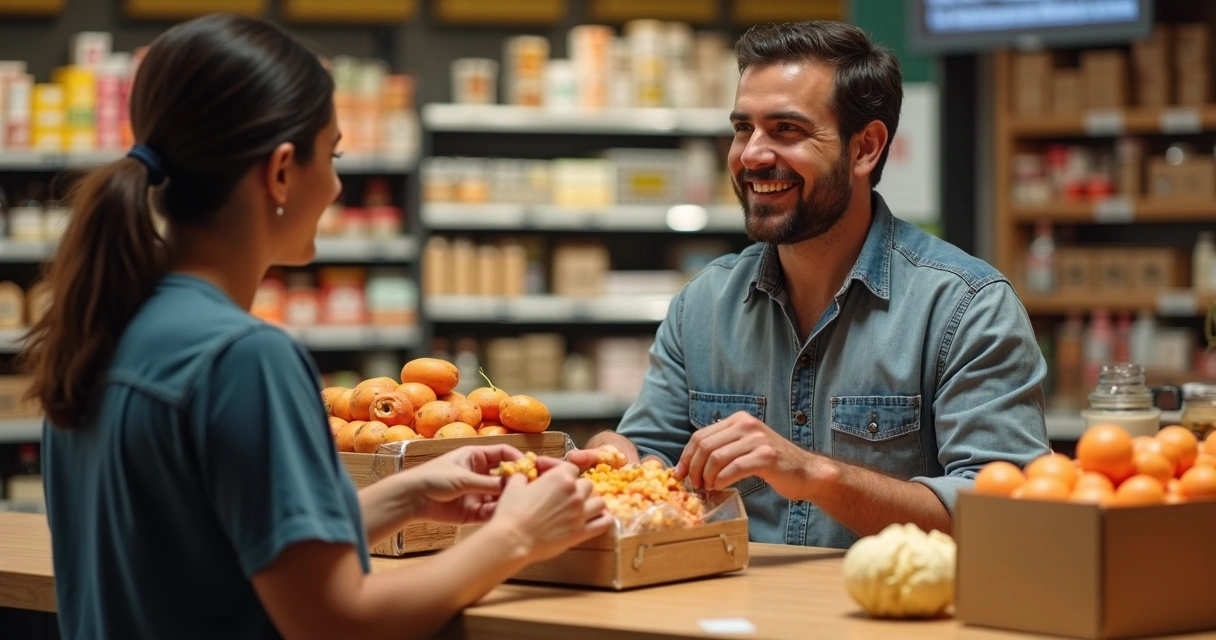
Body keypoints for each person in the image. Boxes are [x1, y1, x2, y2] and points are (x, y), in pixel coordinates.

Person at [21, 14, 612, 640]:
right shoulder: (243, 358)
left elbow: (199, 553)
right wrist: (517, 537)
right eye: (330, 156)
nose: (334, 184)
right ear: (280, 172)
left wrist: (406, 497)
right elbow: (335, 619)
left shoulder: (100, 327)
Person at [569, 21, 1050, 549]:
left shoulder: (966, 306)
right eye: (742, 128)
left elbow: (1007, 519)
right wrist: (617, 453)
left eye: (786, 130)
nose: (752, 154)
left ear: (865, 148)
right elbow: (648, 453)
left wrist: (814, 474)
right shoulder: (703, 306)